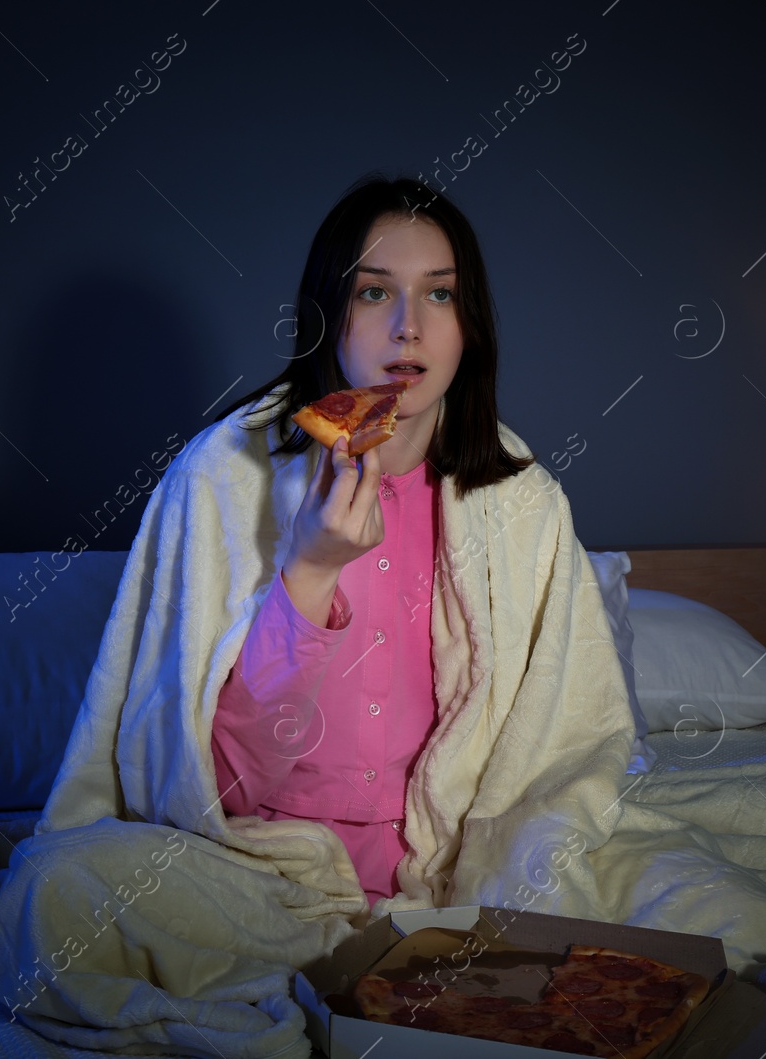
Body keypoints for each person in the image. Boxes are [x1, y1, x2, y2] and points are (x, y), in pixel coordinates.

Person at [209, 175, 540, 903]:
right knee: (61, 891)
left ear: (470, 323)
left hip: (454, 861)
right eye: (374, 292)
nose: (409, 328)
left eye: (441, 294)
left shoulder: (525, 503)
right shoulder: (223, 475)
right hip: (261, 862)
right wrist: (309, 568)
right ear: (330, 313)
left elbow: (560, 749)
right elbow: (215, 786)